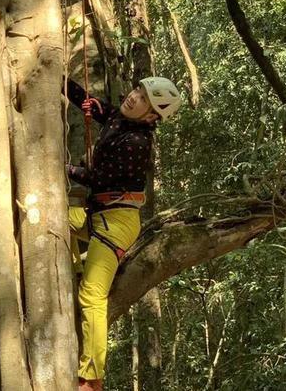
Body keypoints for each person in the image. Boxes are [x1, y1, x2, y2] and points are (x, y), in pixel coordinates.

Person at [65, 77, 182, 391]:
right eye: (137, 91)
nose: (134, 98)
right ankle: (74, 268)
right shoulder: (120, 118)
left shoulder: (137, 143)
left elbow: (99, 178)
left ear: (152, 117)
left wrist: (66, 169)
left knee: (92, 296)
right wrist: (64, 82)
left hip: (116, 225)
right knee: (61, 217)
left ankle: (91, 378)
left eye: (144, 99)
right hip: (98, 214)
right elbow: (90, 102)